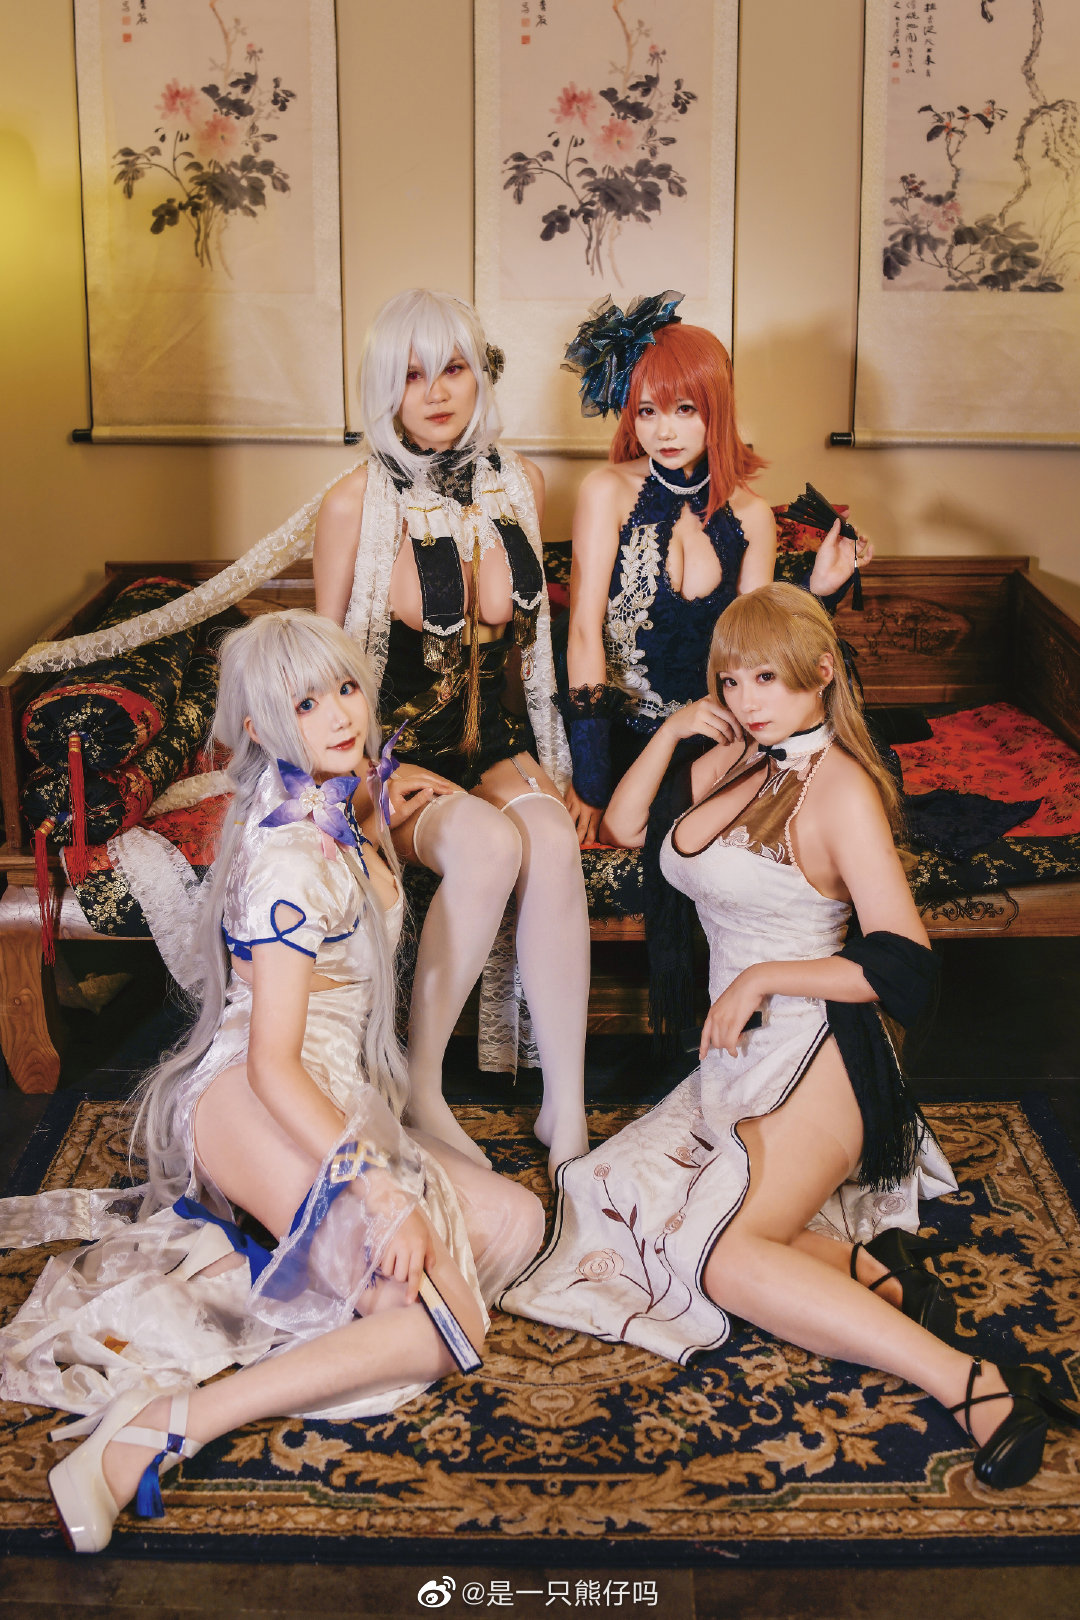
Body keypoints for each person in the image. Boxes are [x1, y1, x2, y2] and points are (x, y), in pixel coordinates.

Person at [503, 584, 1079, 1490]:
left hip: (826, 1045)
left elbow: (905, 966)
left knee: (720, 1260)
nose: (747, 700)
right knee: (606, 1196)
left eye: (766, 678)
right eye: (731, 681)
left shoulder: (840, 787)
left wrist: (765, 976)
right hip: (739, 1052)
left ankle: (976, 1385)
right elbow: (622, 827)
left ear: (821, 671)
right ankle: (880, 1280)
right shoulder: (736, 760)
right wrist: (676, 728)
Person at [0, 610, 545, 1553]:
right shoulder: (292, 856)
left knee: (517, 1224)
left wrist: (390, 793)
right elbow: (273, 1063)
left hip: (332, 1091)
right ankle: (162, 1427)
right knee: (444, 1319)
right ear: (260, 728)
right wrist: (379, 1194)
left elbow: (361, 827)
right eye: (304, 703)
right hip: (261, 1095)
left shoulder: (331, 803)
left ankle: (266, 1260)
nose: (338, 715)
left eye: (346, 688)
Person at [313, 289, 589, 1180]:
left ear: (480, 375)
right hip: (395, 761)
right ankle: (423, 1089)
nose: (434, 392)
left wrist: (559, 769)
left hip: (497, 747)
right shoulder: (353, 503)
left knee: (551, 838)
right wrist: (361, 778)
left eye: (453, 368)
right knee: (487, 844)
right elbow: (318, 672)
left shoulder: (523, 485)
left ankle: (566, 1104)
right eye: (411, 374)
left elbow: (531, 655)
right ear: (382, 388)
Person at [558, 291, 867, 846]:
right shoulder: (606, 491)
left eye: (684, 409)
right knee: (626, 829)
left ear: (715, 409)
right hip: (621, 736)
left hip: (720, 733)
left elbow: (757, 643)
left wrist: (819, 588)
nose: (664, 432)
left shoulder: (750, 514)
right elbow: (582, 631)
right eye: (647, 411)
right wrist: (591, 778)